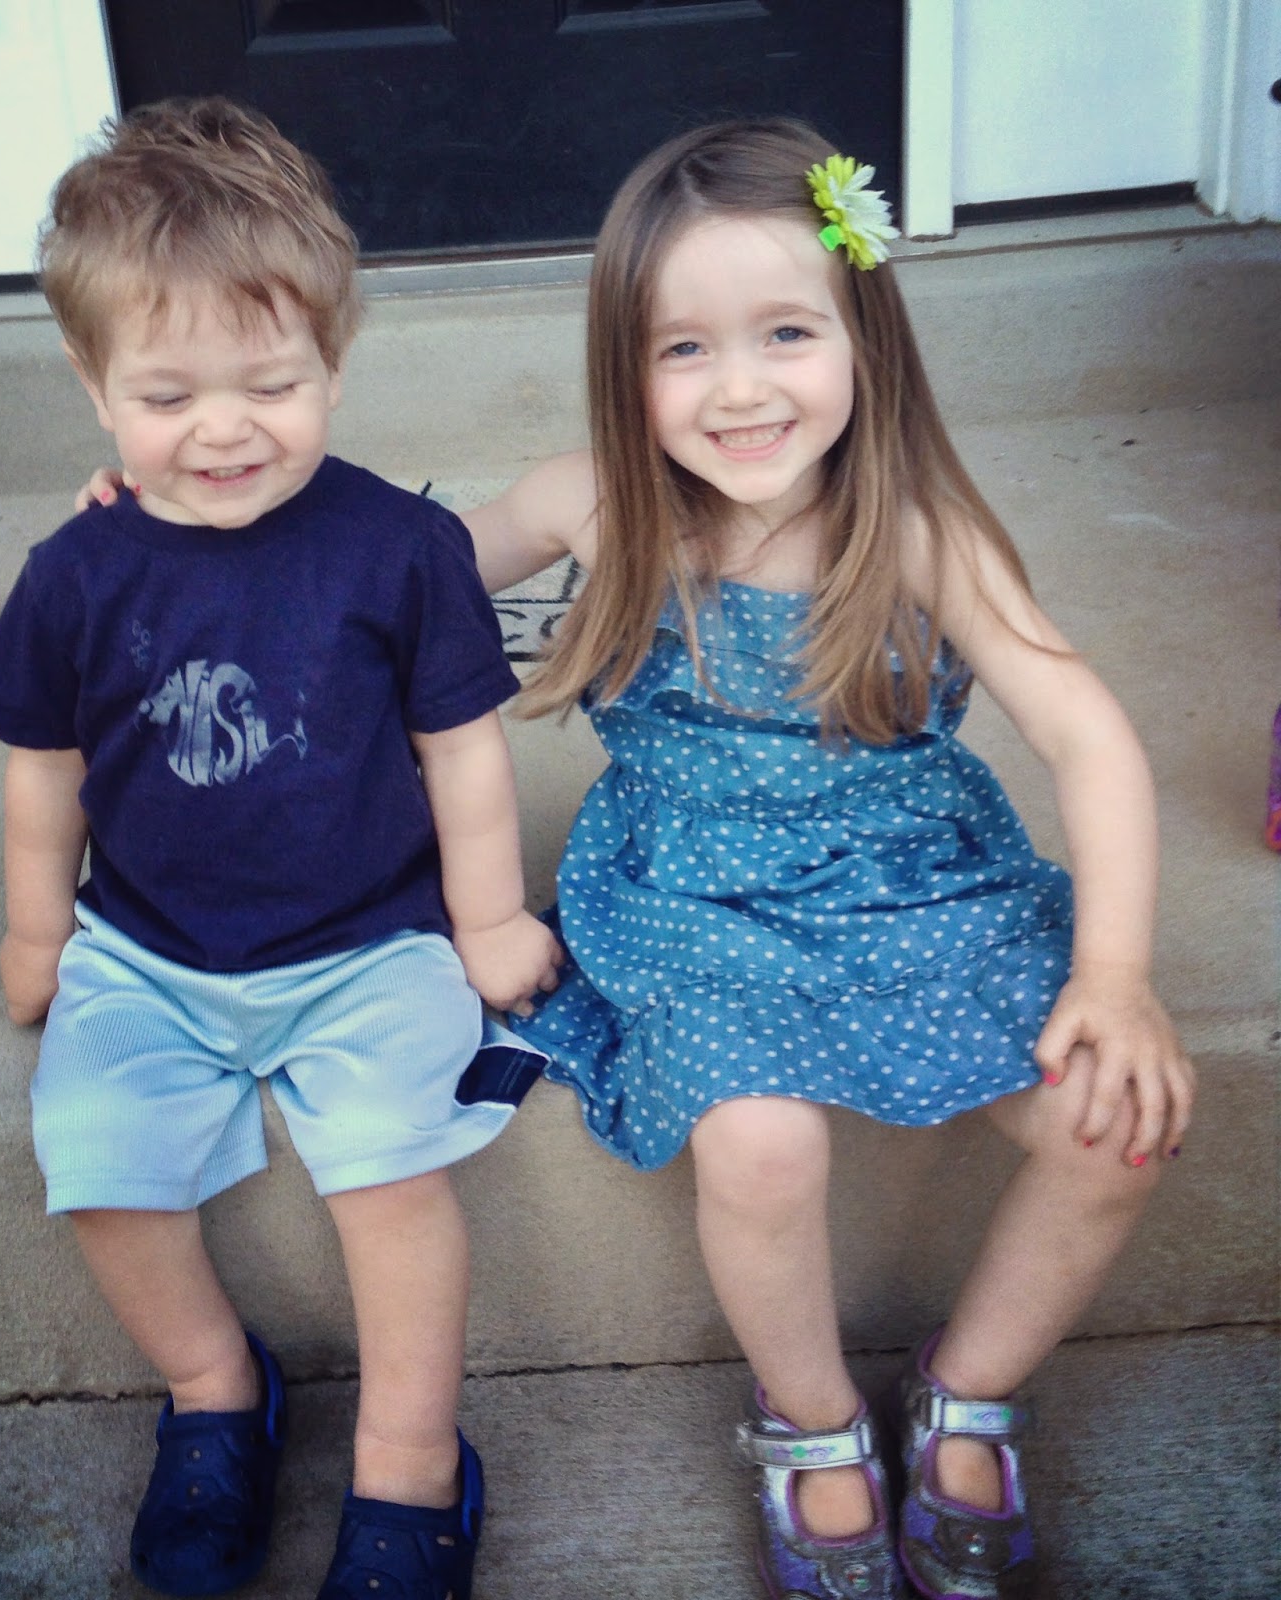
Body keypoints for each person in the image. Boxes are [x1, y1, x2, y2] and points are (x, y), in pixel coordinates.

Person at [77, 116, 1196, 1598]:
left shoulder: (920, 535)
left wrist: (1115, 975)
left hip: (919, 887)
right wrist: (174, 521)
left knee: (1116, 1129)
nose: (740, 389)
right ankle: (812, 1422)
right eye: (683, 349)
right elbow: (380, 572)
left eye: (786, 332)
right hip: (691, 901)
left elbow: (1091, 740)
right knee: (759, 1138)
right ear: (625, 366)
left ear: (863, 337)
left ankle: (969, 1390)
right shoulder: (595, 503)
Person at [0, 96, 561, 1600]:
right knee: (98, 1162)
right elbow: (45, 773)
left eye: (272, 384)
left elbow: (462, 751)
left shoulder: (399, 550)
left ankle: (410, 1461)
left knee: (394, 1182)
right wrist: (38, 933)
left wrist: (489, 919)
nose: (225, 429)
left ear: (334, 364)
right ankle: (217, 1389)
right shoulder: (75, 574)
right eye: (167, 394)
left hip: (370, 942)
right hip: (148, 948)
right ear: (93, 382)